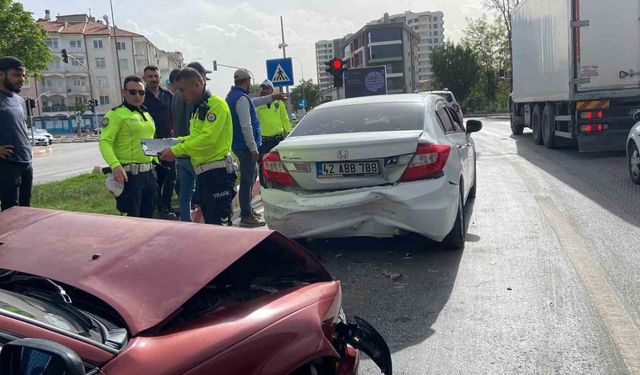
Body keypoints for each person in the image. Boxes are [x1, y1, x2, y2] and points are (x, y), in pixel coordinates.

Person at [159, 67, 236, 226]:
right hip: (205, 173)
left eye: (182, 89)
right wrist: (175, 142)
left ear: (196, 85)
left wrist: (176, 150)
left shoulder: (216, 105)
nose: (180, 94)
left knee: (219, 225)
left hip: (217, 173)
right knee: (210, 223)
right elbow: (196, 137)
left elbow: (208, 139)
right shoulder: (200, 107)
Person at [99, 75, 157, 218]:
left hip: (149, 174)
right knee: (133, 221)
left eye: (141, 92)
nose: (137, 96)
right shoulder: (116, 114)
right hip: (129, 176)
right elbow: (105, 142)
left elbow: (149, 141)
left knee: (149, 219)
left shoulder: (146, 114)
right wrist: (115, 165)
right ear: (124, 92)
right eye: (132, 92)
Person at [225, 69, 266, 227]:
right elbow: (246, 125)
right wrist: (253, 147)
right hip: (245, 145)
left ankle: (248, 210)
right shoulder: (241, 99)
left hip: (238, 143)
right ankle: (246, 215)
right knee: (248, 180)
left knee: (250, 176)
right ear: (247, 80)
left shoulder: (233, 96)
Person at [171, 62, 211, 222]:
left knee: (185, 193)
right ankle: (208, 222)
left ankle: (186, 223)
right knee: (205, 190)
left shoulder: (175, 96)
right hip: (193, 150)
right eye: (203, 76)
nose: (205, 80)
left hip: (180, 148)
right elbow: (194, 125)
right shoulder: (193, 98)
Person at [143, 65, 176, 220]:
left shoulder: (167, 95)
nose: (153, 80)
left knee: (171, 175)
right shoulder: (142, 97)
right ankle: (159, 207)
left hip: (167, 141)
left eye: (156, 76)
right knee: (156, 177)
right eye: (150, 77)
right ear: (145, 79)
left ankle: (167, 206)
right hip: (150, 143)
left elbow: (175, 114)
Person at [0, 57, 32, 211]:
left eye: (23, 75)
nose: (21, 79)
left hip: (26, 162)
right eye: (16, 75)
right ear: (1, 74)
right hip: (7, 164)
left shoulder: (19, 100)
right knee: (11, 212)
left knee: (26, 212)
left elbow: (21, 126)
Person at [255, 79, 291, 186]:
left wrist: (289, 133)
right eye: (263, 88)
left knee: (280, 164)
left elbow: (284, 118)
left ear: (271, 89)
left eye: (267, 88)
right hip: (263, 141)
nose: (264, 90)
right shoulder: (258, 104)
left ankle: (280, 185)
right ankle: (264, 187)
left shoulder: (278, 103)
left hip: (277, 139)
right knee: (262, 164)